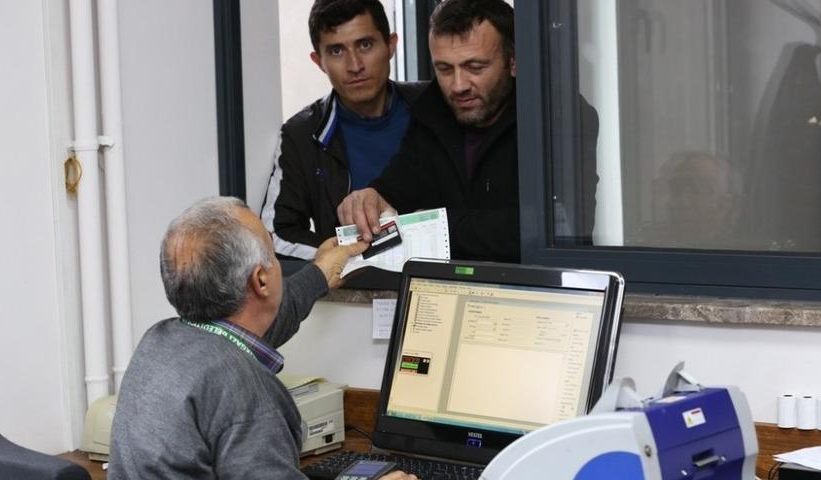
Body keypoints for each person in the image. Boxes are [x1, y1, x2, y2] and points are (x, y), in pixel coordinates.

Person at [109, 197, 415, 480]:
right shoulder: (245, 391)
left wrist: (320, 273)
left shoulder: (159, 342)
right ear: (261, 280)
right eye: (273, 254)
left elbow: (260, 320)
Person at [337, 0, 599, 262]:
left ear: (514, 61)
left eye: (475, 68)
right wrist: (369, 198)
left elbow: (559, 229)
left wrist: (438, 225)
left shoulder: (559, 118)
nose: (458, 86)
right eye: (445, 69)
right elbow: (395, 193)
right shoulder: (430, 112)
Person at [261, 0, 427, 260]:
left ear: (391, 45)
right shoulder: (302, 134)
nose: (355, 65)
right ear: (319, 61)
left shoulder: (433, 108)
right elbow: (276, 235)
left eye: (365, 45)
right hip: (351, 293)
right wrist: (347, 256)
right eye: (337, 51)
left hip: (441, 286)